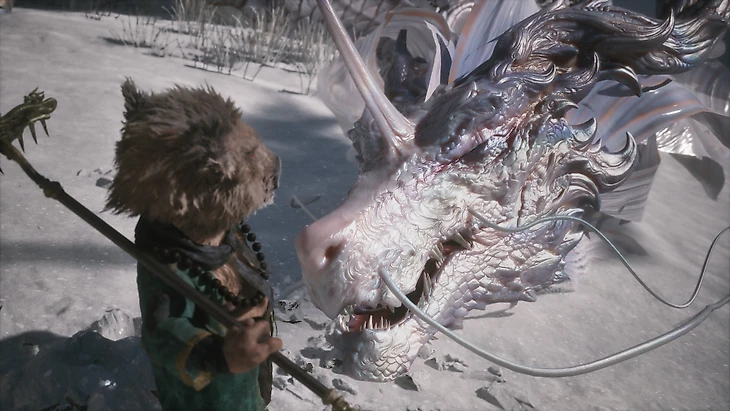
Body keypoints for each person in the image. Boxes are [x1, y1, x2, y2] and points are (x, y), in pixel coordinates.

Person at [106, 78, 283, 410]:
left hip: (249, 372)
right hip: (211, 396)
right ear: (205, 183)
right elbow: (162, 334)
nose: (269, 162)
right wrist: (216, 355)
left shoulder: (220, 226)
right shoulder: (168, 265)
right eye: (249, 155)